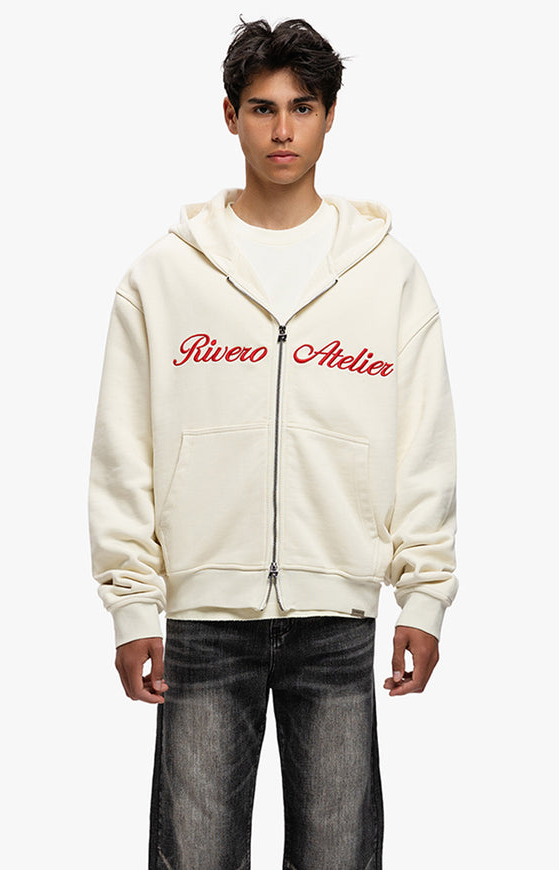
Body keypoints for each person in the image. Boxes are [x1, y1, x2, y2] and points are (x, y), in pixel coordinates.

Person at [88, 17, 458, 870]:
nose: (282, 129)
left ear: (330, 116)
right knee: (195, 857)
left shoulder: (388, 274)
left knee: (338, 858)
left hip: (337, 616)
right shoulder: (165, 275)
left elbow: (424, 445)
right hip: (201, 618)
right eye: (262, 108)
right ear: (230, 116)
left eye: (302, 107)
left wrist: (424, 596)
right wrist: (132, 605)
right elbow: (122, 449)